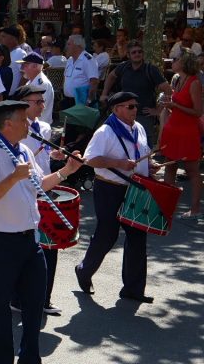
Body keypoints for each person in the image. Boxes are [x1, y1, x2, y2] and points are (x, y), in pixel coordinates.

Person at [0, 100, 80, 364]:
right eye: (23, 119)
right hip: (1, 241)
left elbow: (39, 186)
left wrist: (67, 171)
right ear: (7, 123)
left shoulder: (23, 151)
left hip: (30, 240)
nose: (29, 123)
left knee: (34, 305)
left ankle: (30, 358)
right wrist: (12, 177)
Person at [75, 92, 158, 304]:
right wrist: (119, 163)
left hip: (134, 188)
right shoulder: (105, 131)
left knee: (138, 237)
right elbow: (90, 159)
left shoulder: (138, 128)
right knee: (107, 234)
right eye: (130, 106)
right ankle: (84, 271)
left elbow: (144, 153)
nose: (135, 109)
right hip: (109, 188)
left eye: (135, 105)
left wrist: (149, 165)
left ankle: (133, 288)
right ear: (116, 109)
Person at [12, 84, 68, 316]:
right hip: (23, 194)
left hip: (44, 190)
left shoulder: (44, 128)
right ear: (23, 104)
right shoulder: (14, 131)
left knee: (49, 246)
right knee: (22, 249)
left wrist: (54, 155)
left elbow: (44, 159)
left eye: (42, 102)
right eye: (37, 102)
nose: (42, 106)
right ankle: (17, 298)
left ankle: (44, 298)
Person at [158, 53, 202, 218]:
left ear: (185, 62)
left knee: (192, 170)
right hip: (173, 130)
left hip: (187, 133)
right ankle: (166, 206)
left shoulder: (194, 82)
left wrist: (174, 105)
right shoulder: (176, 79)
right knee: (169, 167)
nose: (172, 61)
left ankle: (195, 209)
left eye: (176, 59)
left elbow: (198, 112)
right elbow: (176, 107)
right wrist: (169, 106)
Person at [17, 53, 55, 125]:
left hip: (39, 126)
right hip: (33, 124)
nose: (22, 69)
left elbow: (37, 109)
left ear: (34, 66)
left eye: (25, 66)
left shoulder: (42, 84)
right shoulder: (31, 82)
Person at [62, 34, 99, 108]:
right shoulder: (69, 60)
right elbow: (65, 78)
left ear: (77, 46)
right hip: (67, 100)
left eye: (69, 44)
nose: (66, 47)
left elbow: (94, 82)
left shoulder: (88, 59)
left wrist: (89, 101)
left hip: (81, 102)